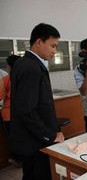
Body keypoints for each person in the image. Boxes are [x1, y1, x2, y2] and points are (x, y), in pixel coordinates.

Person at [10, 23, 65, 180]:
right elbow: (27, 110)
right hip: (34, 142)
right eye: (53, 46)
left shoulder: (23, 63)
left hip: (30, 139)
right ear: (39, 42)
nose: (55, 51)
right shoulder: (31, 68)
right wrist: (49, 135)